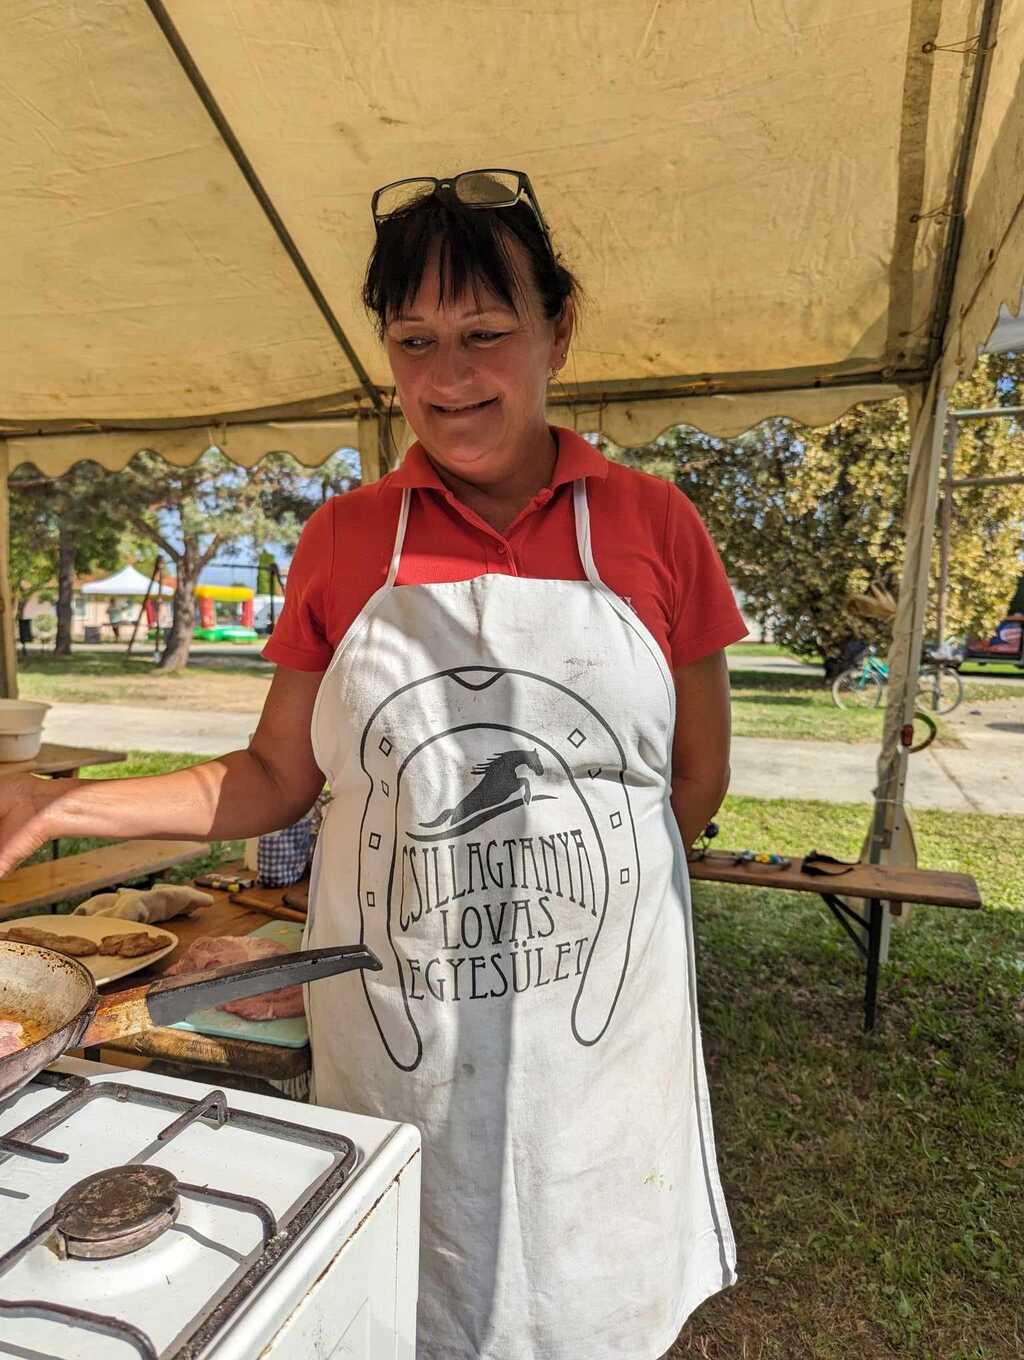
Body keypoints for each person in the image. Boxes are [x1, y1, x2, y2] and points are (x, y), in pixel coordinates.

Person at [1, 169, 746, 1359]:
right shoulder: (345, 540)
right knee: (401, 1295)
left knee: (591, 1296)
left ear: (559, 329)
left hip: (599, 1044)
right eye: (415, 342)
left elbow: (691, 785)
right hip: (405, 1033)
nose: (450, 379)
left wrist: (583, 913)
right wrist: (56, 807)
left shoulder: (655, 525)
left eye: (486, 335)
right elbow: (270, 780)